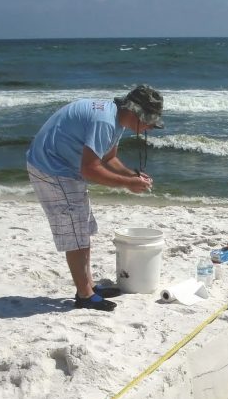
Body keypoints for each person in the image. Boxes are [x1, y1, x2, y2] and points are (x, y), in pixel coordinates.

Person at [26, 84, 164, 311]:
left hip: (62, 166)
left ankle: (88, 286)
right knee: (75, 232)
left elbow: (108, 158)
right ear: (134, 112)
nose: (148, 127)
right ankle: (84, 295)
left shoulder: (115, 118)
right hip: (51, 167)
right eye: (148, 121)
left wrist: (132, 174)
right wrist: (128, 184)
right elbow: (90, 170)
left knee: (83, 228)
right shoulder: (105, 122)